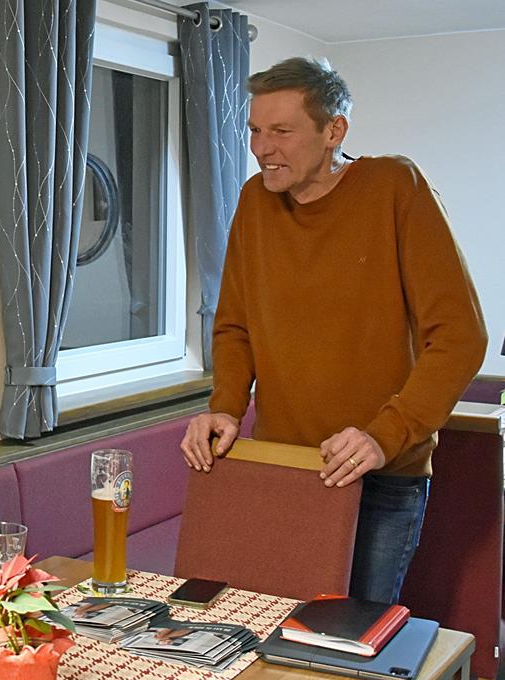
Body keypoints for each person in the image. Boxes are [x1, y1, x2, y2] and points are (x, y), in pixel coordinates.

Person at [180, 57, 487, 604]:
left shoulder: (395, 186)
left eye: (281, 131)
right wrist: (226, 405)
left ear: (333, 130)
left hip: (380, 474)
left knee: (348, 653)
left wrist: (383, 435)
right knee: (268, 636)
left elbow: (461, 336)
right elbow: (233, 328)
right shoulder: (254, 204)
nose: (261, 147)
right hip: (284, 471)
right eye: (254, 130)